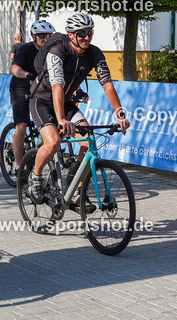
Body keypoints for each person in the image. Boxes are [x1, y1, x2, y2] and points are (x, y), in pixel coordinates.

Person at [27, 13, 130, 217]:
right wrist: (61, 119)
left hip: (66, 102)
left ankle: (76, 190)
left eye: (90, 32)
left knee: (87, 142)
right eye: (82, 33)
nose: (87, 37)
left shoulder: (94, 53)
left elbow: (107, 84)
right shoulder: (57, 51)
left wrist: (119, 113)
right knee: (53, 142)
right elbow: (57, 85)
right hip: (42, 101)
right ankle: (35, 176)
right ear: (71, 35)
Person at [9, 20, 54, 174]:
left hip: (41, 89)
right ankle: (18, 165)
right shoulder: (25, 49)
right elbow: (14, 68)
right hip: (21, 87)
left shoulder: (53, 51)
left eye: (49, 35)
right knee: (21, 126)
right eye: (41, 36)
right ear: (33, 36)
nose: (46, 38)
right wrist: (26, 75)